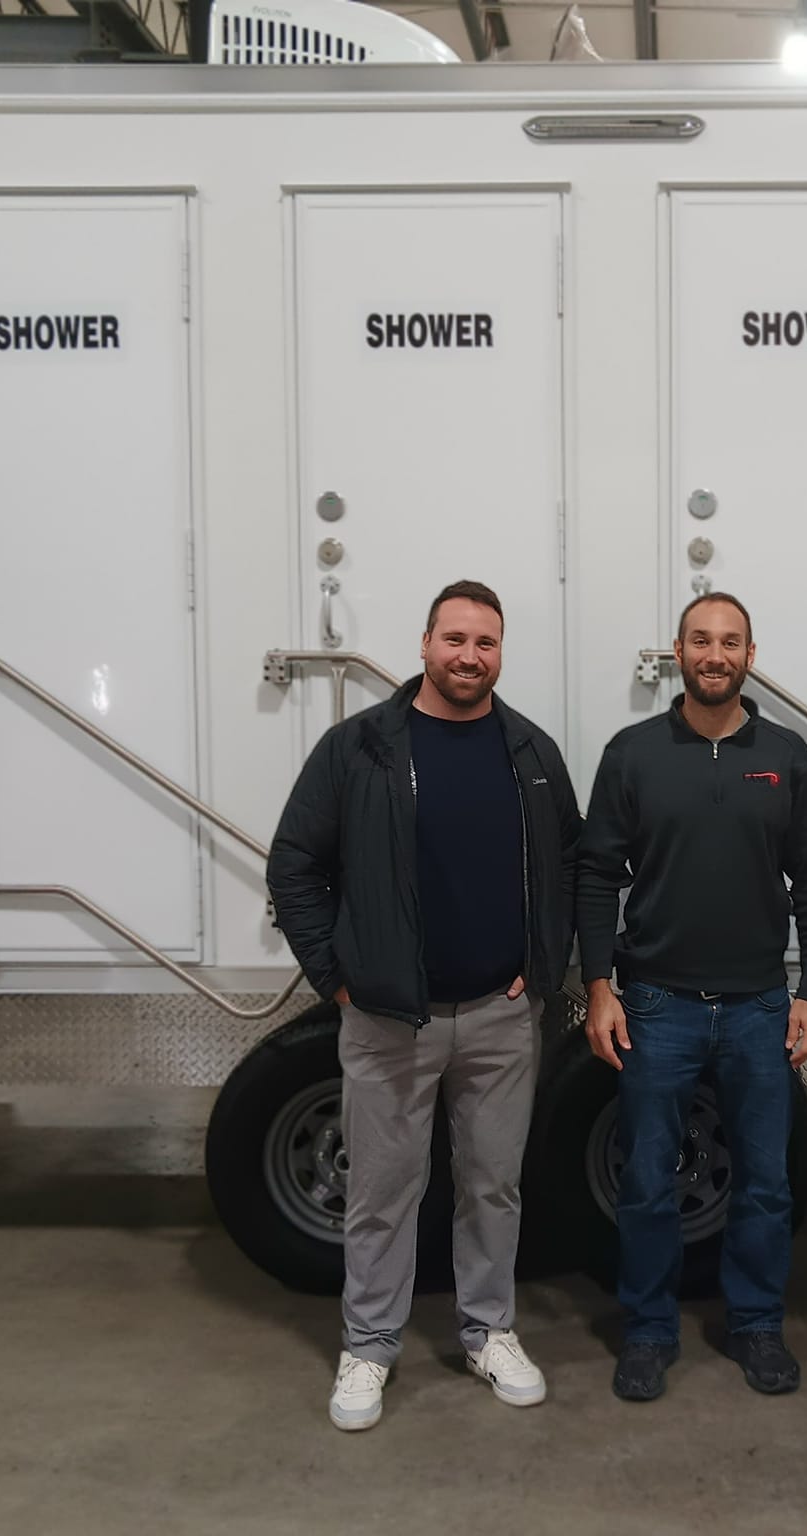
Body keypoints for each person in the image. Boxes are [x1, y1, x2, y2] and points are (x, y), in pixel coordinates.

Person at [266, 579, 581, 1433]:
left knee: (493, 1185)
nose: (469, 656)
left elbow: (568, 869)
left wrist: (541, 964)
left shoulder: (531, 753)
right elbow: (295, 864)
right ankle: (369, 1345)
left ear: (501, 653)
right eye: (455, 639)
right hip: (387, 1017)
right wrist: (337, 976)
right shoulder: (361, 748)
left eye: (485, 642)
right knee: (382, 1189)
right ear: (424, 644)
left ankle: (488, 1331)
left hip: (500, 1015)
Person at [577, 591, 807, 1403]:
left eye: (730, 642)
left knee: (765, 1181)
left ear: (749, 656)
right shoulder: (632, 753)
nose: (714, 654)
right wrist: (598, 988)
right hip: (656, 1004)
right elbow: (595, 877)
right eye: (700, 640)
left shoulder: (788, 757)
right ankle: (648, 1332)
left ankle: (757, 1325)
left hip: (760, 1005)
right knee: (649, 1180)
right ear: (677, 653)